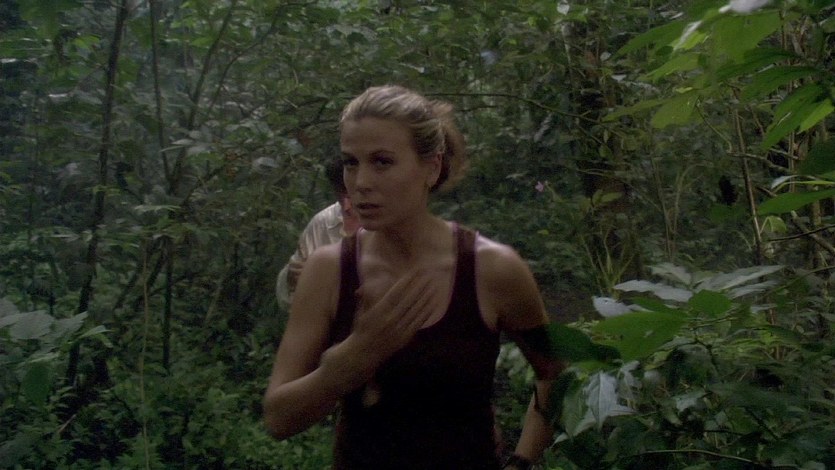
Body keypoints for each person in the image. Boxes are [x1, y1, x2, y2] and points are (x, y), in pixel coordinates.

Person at [263, 85, 565, 469]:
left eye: (382, 162)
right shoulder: (328, 271)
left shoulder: (492, 269)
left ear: (432, 167)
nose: (360, 182)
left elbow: (554, 374)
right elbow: (278, 419)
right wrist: (346, 365)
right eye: (351, 163)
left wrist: (522, 461)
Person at [276, 159, 360, 308]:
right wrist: (292, 279)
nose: (347, 205)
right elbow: (289, 299)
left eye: (352, 196)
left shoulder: (390, 223)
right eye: (341, 197)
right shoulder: (322, 223)